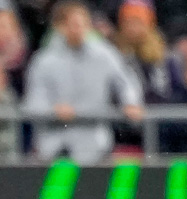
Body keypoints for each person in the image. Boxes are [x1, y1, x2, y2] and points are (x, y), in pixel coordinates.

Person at [23, 0, 144, 165]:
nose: (79, 29)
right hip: (55, 147)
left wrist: (131, 102)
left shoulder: (104, 54)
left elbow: (126, 81)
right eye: (73, 24)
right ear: (59, 26)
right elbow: (33, 103)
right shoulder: (43, 61)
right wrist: (53, 111)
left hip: (95, 145)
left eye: (83, 24)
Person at [113, 0, 171, 101]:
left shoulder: (163, 56)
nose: (133, 28)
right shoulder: (114, 54)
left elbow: (167, 89)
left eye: (138, 22)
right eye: (128, 22)